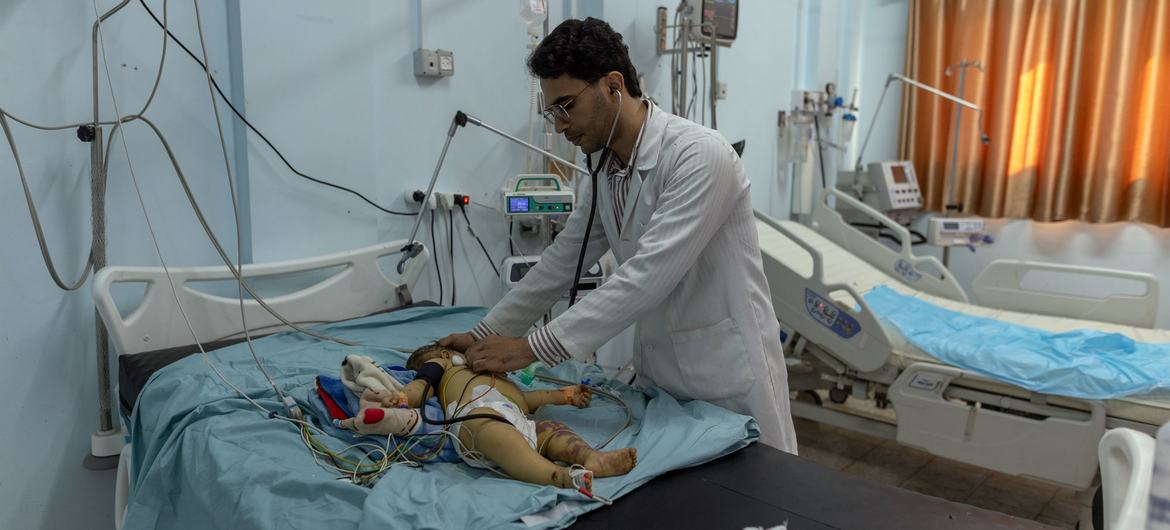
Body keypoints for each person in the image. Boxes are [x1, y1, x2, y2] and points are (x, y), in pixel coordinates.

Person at [440, 17, 797, 453]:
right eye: (551, 112)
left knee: (752, 510)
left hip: (727, 378)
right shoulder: (605, 170)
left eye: (566, 106)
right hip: (661, 379)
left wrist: (530, 348)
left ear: (613, 85)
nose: (558, 126)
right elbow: (562, 262)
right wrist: (486, 331)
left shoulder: (700, 156)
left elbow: (647, 277)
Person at [340, 344, 637, 494]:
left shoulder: (494, 374)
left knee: (551, 429)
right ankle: (561, 477)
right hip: (475, 420)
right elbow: (422, 385)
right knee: (500, 435)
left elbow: (525, 401)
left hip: (515, 416)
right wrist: (403, 397)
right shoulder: (444, 363)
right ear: (444, 352)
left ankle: (591, 458)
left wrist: (564, 396)